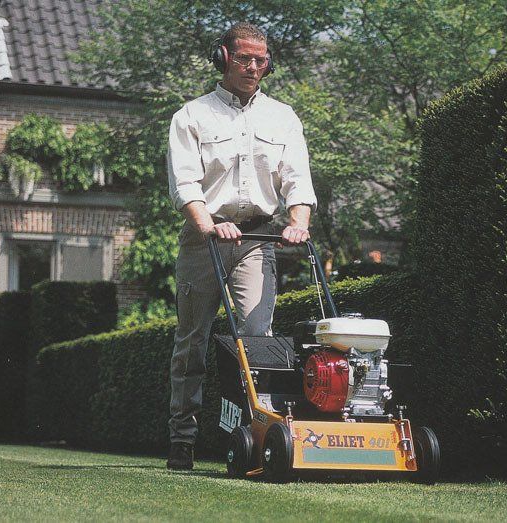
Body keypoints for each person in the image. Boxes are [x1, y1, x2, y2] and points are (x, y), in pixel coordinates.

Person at [166, 22, 317, 470]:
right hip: (203, 238)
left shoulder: (283, 117)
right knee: (192, 340)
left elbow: (297, 179)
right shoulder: (192, 116)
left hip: (256, 238)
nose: (253, 66)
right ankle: (182, 439)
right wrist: (210, 223)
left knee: (257, 339)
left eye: (261, 60)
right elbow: (185, 183)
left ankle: (258, 440)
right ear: (223, 58)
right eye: (245, 58)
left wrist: (298, 222)